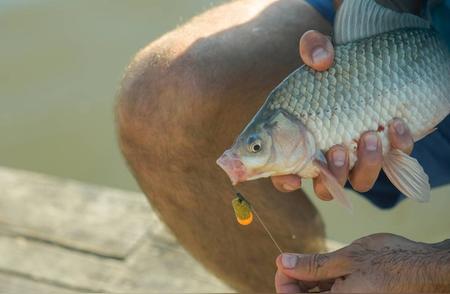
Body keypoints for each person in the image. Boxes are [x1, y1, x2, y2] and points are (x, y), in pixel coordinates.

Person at [116, 0, 450, 292]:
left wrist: (429, 274)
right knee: (162, 98)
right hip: (418, 30)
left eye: (257, 147)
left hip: (427, 67)